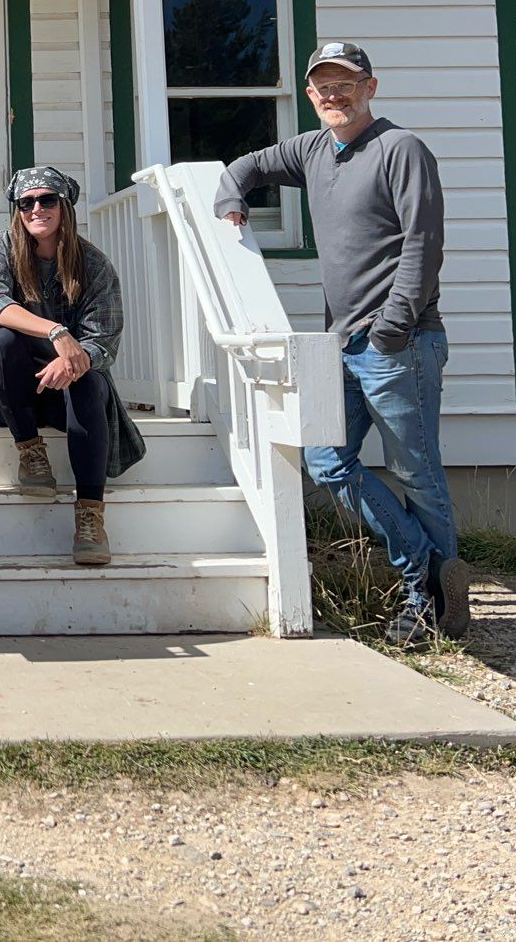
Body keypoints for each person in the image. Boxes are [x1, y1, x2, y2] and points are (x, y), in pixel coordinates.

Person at [214, 40, 469, 646]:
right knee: (329, 462)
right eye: (322, 85)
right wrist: (231, 199)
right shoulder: (312, 150)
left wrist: (391, 328)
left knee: (417, 471)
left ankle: (431, 603)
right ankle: (434, 573)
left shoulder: (400, 148)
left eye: (345, 83)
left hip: (397, 343)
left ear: (370, 88)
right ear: (310, 95)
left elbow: (423, 245)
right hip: (340, 346)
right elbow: (245, 168)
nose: (334, 94)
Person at [0, 167, 145, 565]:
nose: (36, 208)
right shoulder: (1, 247)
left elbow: (105, 340)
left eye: (47, 200)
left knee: (92, 381)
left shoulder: (94, 264)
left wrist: (74, 363)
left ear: (65, 206)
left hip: (68, 399)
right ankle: (31, 451)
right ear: (17, 210)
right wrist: (58, 334)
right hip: (10, 393)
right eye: (27, 203)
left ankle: (90, 516)